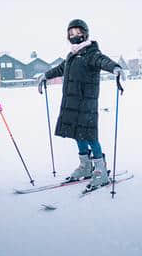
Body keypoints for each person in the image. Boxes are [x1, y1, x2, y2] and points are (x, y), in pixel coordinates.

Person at [37, 19, 125, 191]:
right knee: (77, 133)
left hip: (86, 103)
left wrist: (115, 68)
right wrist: (45, 75)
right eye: (71, 34)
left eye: (78, 33)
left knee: (90, 136)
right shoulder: (72, 56)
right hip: (71, 103)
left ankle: (100, 170)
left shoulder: (91, 53)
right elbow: (60, 68)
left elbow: (103, 61)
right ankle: (85, 166)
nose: (75, 36)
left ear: (85, 34)